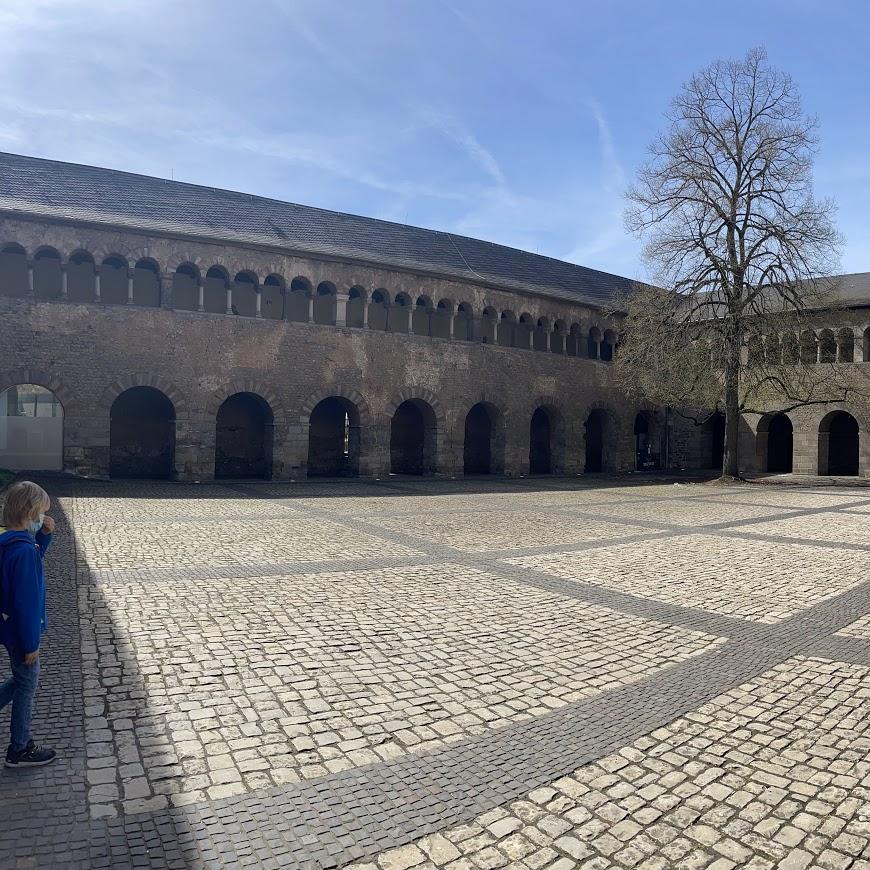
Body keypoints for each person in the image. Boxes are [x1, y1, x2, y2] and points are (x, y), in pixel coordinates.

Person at [0, 481, 56, 767]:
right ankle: (19, 748)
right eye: (41, 513)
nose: (43, 518)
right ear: (29, 511)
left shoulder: (10, 541)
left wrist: (44, 537)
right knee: (26, 686)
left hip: (9, 629)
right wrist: (31, 643)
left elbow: (34, 556)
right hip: (21, 633)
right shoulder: (23, 551)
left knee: (22, 680)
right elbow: (26, 603)